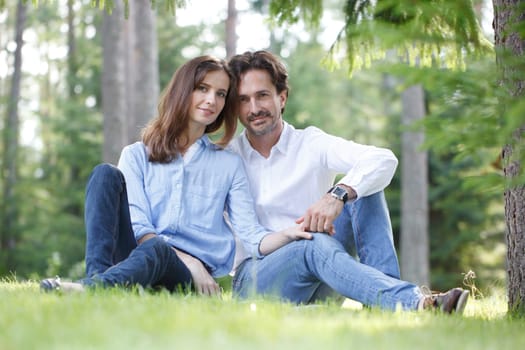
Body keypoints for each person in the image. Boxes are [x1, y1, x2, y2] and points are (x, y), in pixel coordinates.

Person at [227, 50, 469, 313]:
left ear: (281, 97)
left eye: (262, 95)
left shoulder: (309, 143)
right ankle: (412, 303)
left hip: (322, 274)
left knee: (364, 186)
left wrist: (338, 194)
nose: (254, 108)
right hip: (256, 279)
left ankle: (382, 306)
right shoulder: (228, 157)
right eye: (243, 100)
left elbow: (382, 159)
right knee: (312, 245)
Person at [40, 55, 296, 295]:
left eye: (221, 94)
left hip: (183, 276)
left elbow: (252, 236)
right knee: (104, 174)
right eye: (202, 88)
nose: (211, 100)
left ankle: (90, 289)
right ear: (184, 90)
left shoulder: (229, 164)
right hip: (139, 256)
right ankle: (97, 281)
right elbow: (140, 227)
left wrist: (289, 233)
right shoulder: (136, 155)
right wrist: (188, 259)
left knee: (159, 249)